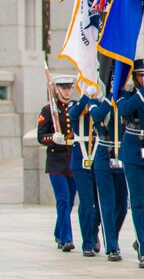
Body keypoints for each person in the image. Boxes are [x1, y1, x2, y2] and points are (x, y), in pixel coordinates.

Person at [90, 59, 144, 268]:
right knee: (136, 202)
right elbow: (126, 110)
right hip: (131, 150)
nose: (143, 77)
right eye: (140, 74)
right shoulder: (124, 95)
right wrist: (143, 93)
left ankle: (141, 237)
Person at [73, 85, 128, 261]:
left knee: (121, 205)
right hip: (94, 156)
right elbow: (82, 114)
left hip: (116, 153)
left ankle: (108, 234)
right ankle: (101, 244)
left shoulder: (123, 100)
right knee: (97, 204)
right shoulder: (93, 103)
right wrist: (103, 95)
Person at [36, 74, 77, 252]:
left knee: (69, 202)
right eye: (63, 88)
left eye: (69, 87)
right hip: (56, 162)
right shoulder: (48, 110)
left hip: (73, 160)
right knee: (63, 200)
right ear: (57, 89)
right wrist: (52, 137)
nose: (67, 91)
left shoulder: (76, 107)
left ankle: (58, 232)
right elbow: (40, 136)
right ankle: (66, 239)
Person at [66, 87, 100, 257]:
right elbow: (74, 113)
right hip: (81, 158)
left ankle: (94, 233)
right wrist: (86, 96)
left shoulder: (98, 103)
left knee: (100, 204)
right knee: (87, 203)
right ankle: (87, 242)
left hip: (98, 156)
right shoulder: (77, 103)